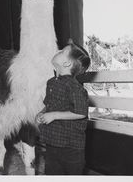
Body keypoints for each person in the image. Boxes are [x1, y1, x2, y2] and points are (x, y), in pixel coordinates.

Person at [36, 39, 91, 175]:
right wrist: (42, 113)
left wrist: (54, 115)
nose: (58, 51)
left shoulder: (75, 87)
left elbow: (81, 112)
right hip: (53, 142)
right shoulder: (52, 82)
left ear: (66, 63)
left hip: (71, 148)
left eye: (62, 51)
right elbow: (48, 105)